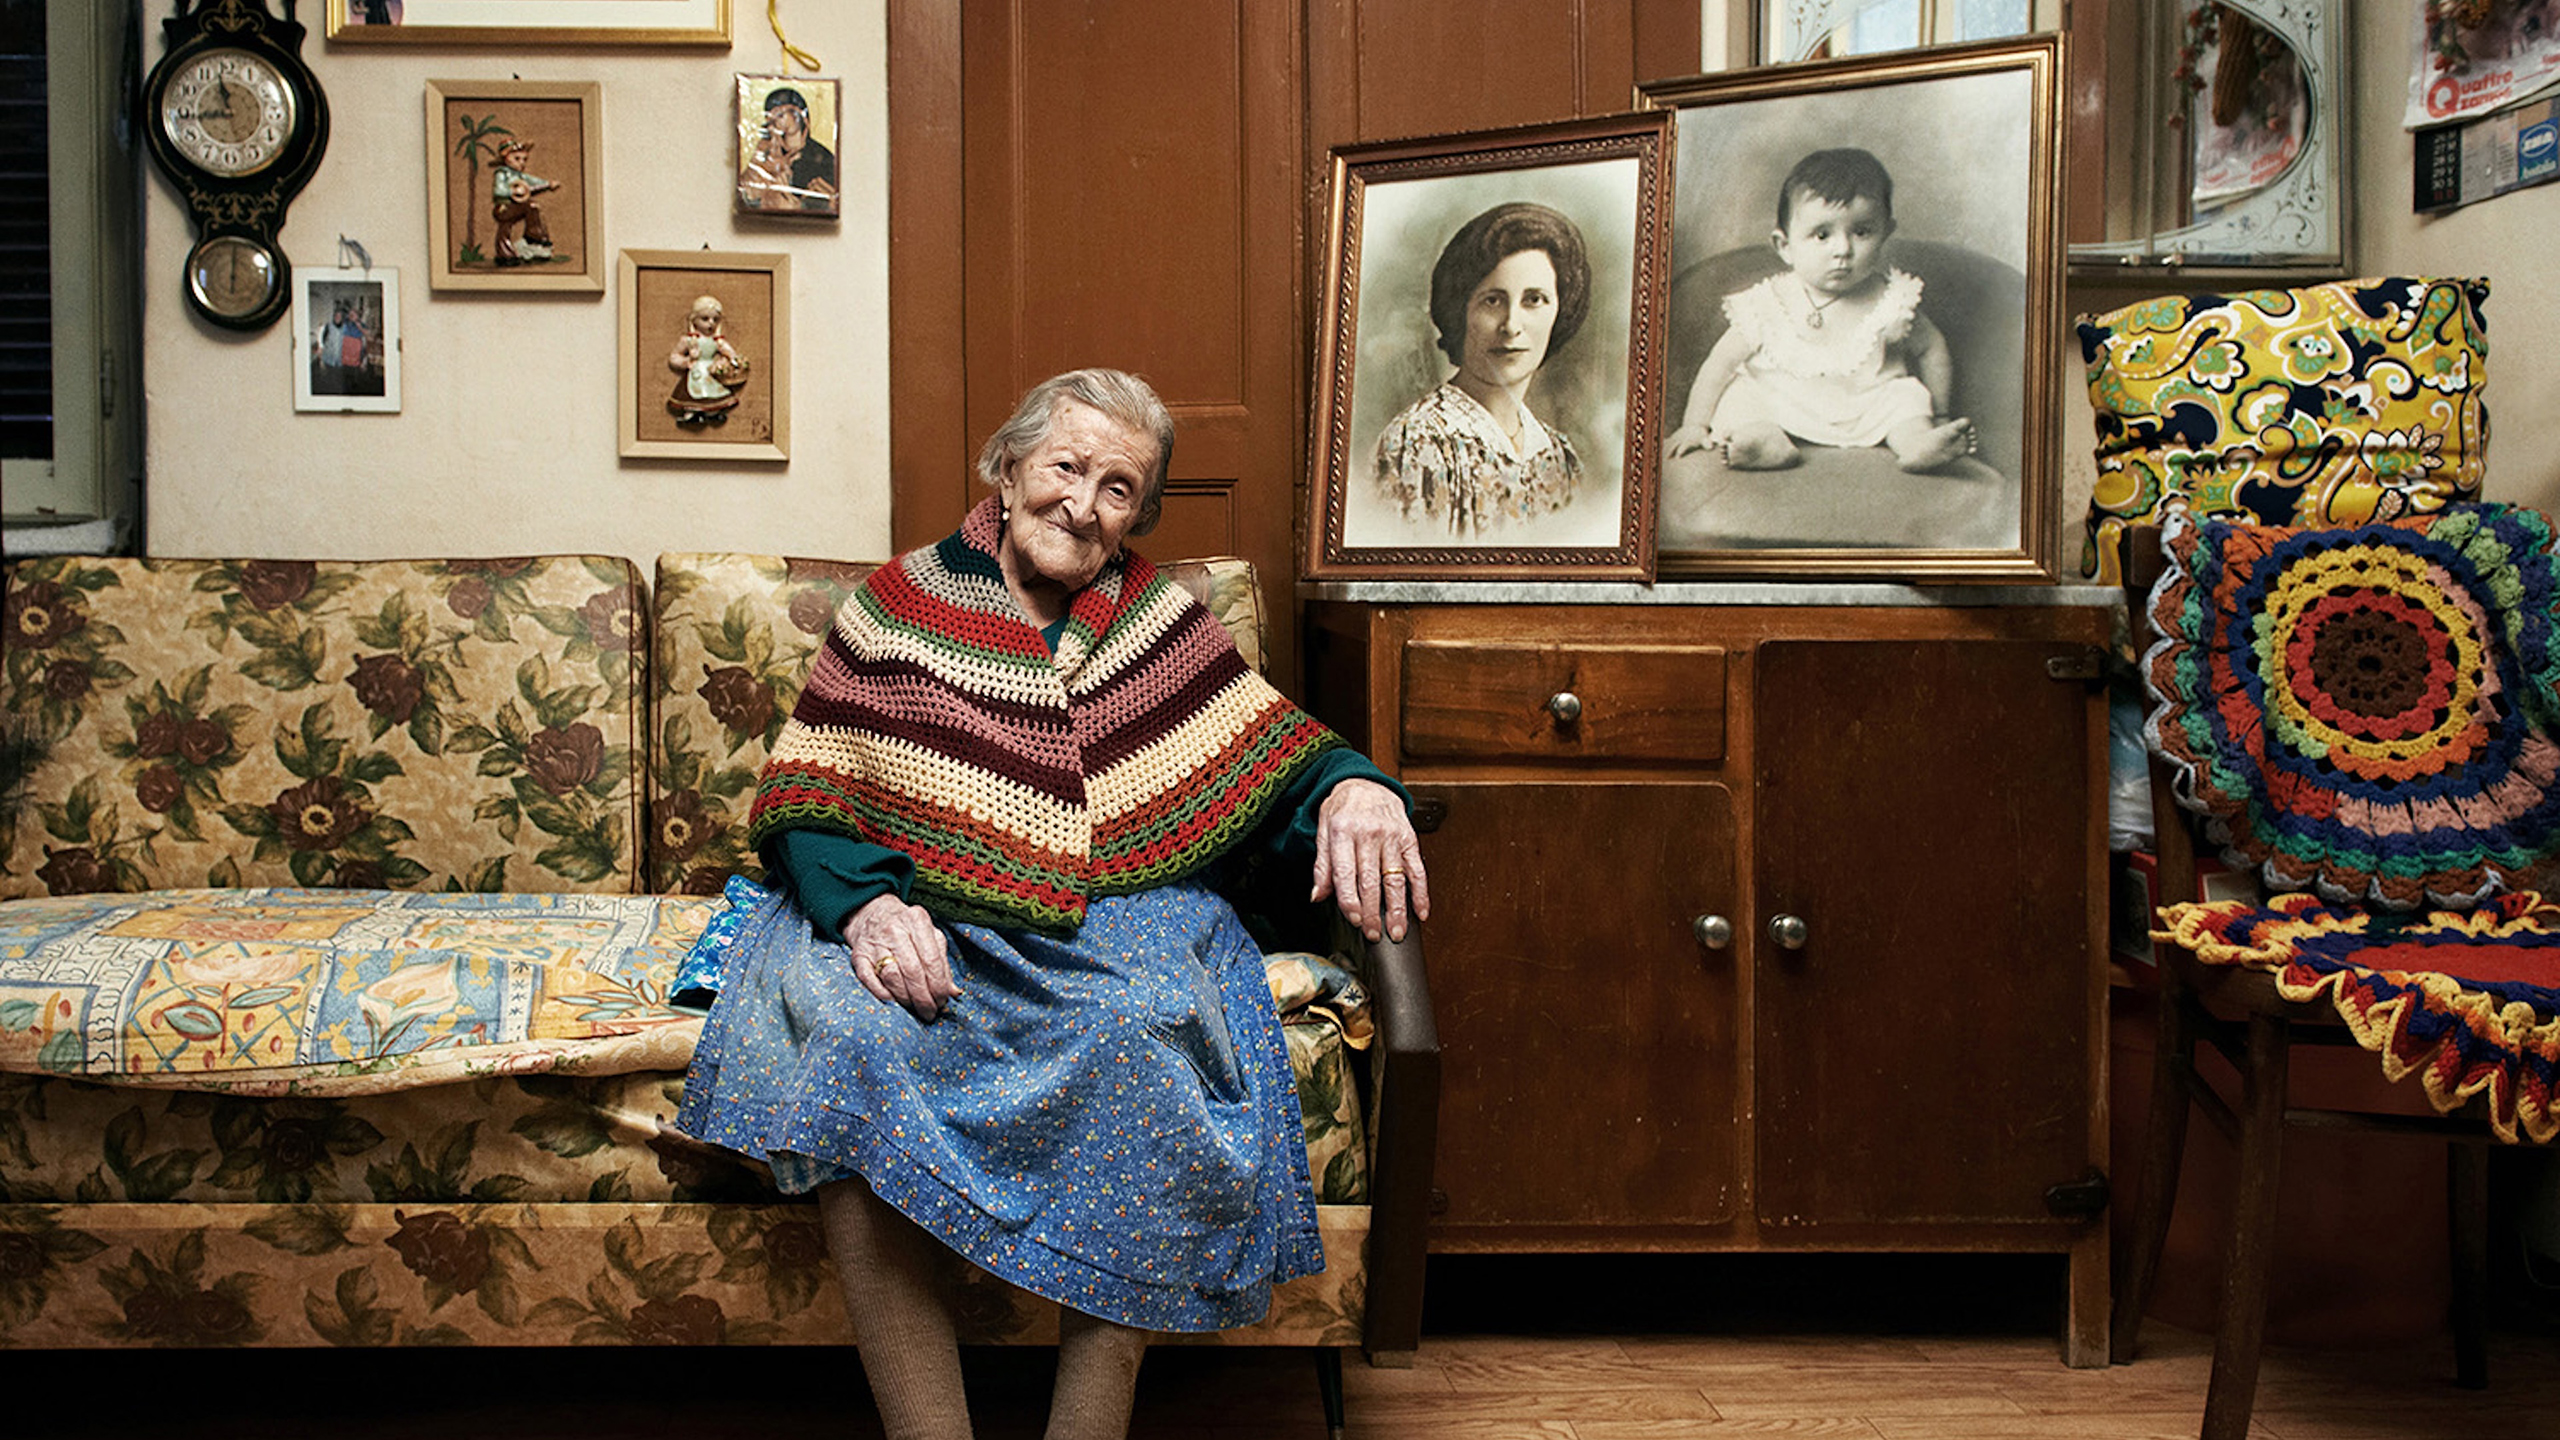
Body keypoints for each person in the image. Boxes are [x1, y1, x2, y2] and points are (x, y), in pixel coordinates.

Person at [675, 368, 1428, 1439]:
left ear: (1139, 515)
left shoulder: (1163, 624)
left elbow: (1275, 763)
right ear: (1007, 467)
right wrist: (867, 912)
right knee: (843, 1034)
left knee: (1143, 1039)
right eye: (1065, 468)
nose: (1082, 503)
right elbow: (806, 798)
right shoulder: (898, 603)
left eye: (1118, 488)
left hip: (1118, 920)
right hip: (921, 910)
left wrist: (1356, 784)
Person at [1664, 147, 1977, 474]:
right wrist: (1694, 425)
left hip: (1868, 403)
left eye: (1862, 232)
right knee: (1744, 397)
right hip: (1783, 402)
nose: (1843, 250)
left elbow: (1931, 347)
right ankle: (1765, 442)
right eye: (1822, 235)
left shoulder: (1891, 300)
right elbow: (1720, 364)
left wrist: (1940, 413)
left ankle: (1918, 443)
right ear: (1785, 247)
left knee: (1905, 401)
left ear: (1886, 233)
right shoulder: (1768, 303)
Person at [1370, 201, 1590, 535]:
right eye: (1492, 300)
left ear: (1562, 309)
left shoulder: (1559, 456)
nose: (1512, 325)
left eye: (1534, 300)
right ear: (1461, 311)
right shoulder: (1419, 444)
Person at [740, 86, 839, 213]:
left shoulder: (822, 157)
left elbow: (828, 201)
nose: (780, 119)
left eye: (783, 113)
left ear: (801, 116)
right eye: (774, 116)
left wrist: (801, 206)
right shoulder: (766, 151)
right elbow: (746, 192)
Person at [665, 295, 746, 426]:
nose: (710, 323)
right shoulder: (688, 340)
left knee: (713, 392)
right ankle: (692, 414)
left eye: (715, 320)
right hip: (695, 372)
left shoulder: (717, 341)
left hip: (710, 372)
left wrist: (728, 361)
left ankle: (712, 413)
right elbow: (674, 357)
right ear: (694, 320)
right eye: (705, 319)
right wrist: (687, 361)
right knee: (693, 393)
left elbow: (731, 353)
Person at [490, 139, 560, 265]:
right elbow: (498, 191)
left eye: (524, 159)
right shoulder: (502, 173)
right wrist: (513, 191)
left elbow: (534, 180)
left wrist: (548, 184)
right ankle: (506, 253)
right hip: (504, 207)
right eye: (517, 159)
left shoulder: (520, 175)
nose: (522, 163)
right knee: (506, 226)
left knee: (532, 207)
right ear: (506, 158)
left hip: (516, 206)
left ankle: (533, 239)